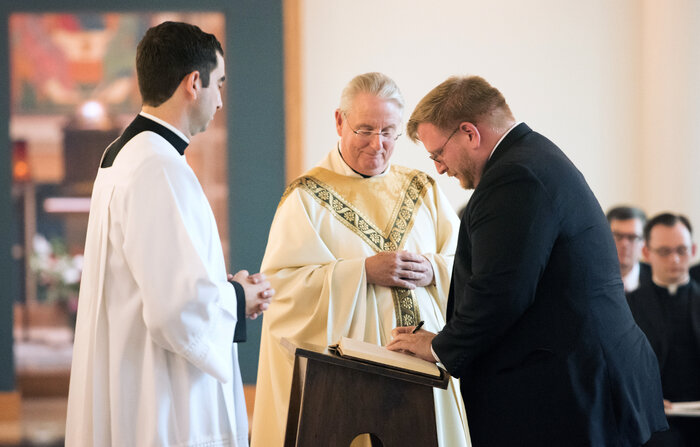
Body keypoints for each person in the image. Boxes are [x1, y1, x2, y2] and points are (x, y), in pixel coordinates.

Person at [388, 75, 667, 446]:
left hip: (570, 391)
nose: (439, 168)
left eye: (438, 154)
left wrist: (438, 346)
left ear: (470, 133)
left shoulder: (513, 177)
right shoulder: (533, 155)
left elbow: (501, 291)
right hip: (586, 377)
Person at [65, 21, 273, 446]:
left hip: (131, 374)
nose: (220, 100)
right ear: (194, 83)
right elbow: (175, 309)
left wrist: (222, 288)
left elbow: (161, 279)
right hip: (158, 393)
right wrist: (239, 297)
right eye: (219, 84)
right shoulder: (158, 166)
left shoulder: (126, 151)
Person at [251, 72, 470, 447]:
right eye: (365, 130)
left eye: (388, 132)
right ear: (340, 121)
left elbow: (467, 262)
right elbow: (281, 290)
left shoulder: (422, 190)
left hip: (427, 371)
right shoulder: (307, 199)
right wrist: (361, 272)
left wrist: (434, 269)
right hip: (348, 387)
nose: (377, 144)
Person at [627, 213, 700, 446]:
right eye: (665, 252)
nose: (676, 260)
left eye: (682, 250)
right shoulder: (629, 307)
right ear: (646, 253)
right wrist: (649, 400)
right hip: (656, 419)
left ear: (694, 250)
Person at [607, 206, 651, 292]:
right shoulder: (590, 279)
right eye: (617, 236)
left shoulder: (656, 279)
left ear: (644, 242)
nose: (624, 244)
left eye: (632, 237)